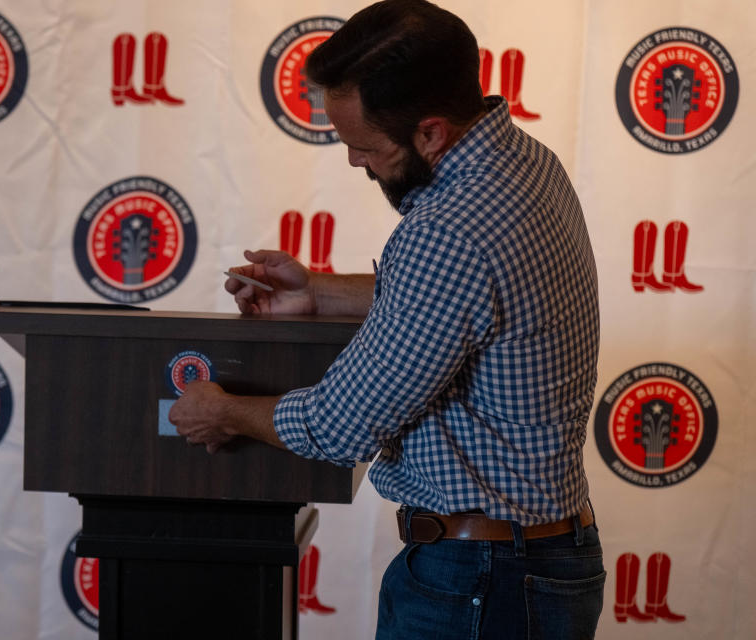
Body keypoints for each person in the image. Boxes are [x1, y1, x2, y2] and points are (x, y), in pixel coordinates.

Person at [168, 1, 605, 637]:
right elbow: (461, 303)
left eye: (364, 145)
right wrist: (316, 291)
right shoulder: (525, 162)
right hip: (526, 563)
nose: (354, 162)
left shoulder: (449, 231)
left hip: (480, 583)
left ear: (430, 132)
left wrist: (222, 410)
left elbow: (339, 427)